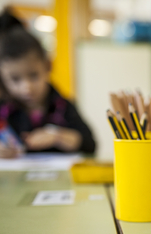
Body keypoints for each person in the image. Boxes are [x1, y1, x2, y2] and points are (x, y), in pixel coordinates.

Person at [0, 9, 95, 158]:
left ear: (48, 66)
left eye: (33, 76)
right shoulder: (3, 109)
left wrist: (58, 136)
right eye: (15, 79)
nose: (27, 87)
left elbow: (90, 145)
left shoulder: (63, 106)